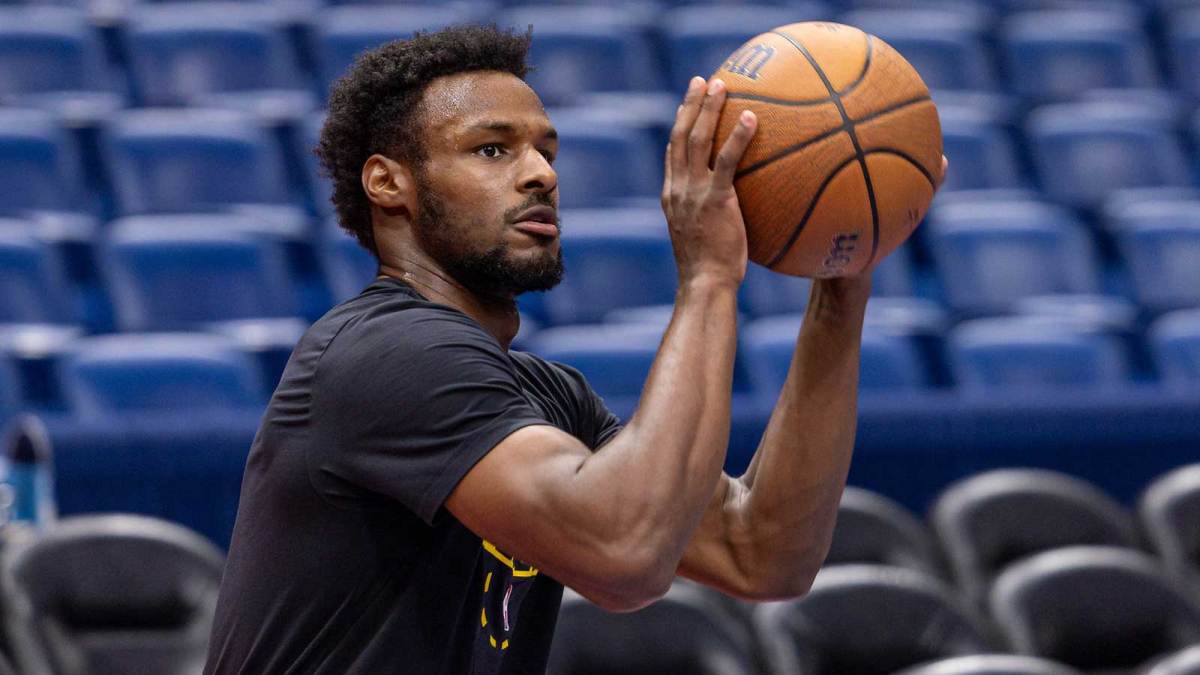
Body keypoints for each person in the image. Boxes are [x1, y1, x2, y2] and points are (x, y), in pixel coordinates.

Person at [204, 24, 943, 675]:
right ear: (387, 183)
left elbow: (762, 551)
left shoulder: (545, 396)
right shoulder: (383, 353)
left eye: (545, 150)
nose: (541, 174)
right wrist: (712, 275)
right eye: (492, 149)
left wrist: (841, 285)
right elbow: (624, 555)